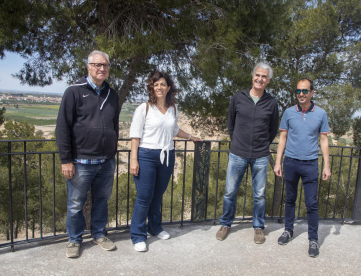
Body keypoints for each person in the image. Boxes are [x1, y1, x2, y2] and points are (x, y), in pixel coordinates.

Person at [56, 50, 120, 258]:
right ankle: (74, 240)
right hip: (81, 161)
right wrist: (66, 159)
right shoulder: (74, 92)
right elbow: (63, 127)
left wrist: (112, 153)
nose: (102, 69)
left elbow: (114, 126)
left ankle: (99, 234)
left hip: (106, 161)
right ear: (88, 67)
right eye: (97, 65)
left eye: (105, 65)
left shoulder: (112, 95)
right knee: (75, 203)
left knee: (102, 200)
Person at [129, 71, 202, 252]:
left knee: (157, 195)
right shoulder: (144, 108)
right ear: (152, 88)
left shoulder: (173, 109)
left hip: (167, 155)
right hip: (146, 155)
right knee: (144, 196)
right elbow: (135, 136)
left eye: (162, 84)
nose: (159, 87)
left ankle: (154, 228)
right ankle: (138, 235)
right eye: (156, 84)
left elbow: (174, 130)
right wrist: (133, 160)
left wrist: (191, 137)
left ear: (168, 87)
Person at [216, 62, 279, 244]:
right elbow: (231, 124)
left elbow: (273, 128)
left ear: (268, 80)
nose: (260, 79)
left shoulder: (271, 103)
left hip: (261, 156)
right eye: (257, 75)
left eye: (264, 77)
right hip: (237, 153)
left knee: (259, 195)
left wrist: (263, 145)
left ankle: (258, 227)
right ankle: (226, 224)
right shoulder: (238, 98)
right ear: (253, 76)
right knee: (229, 192)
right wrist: (237, 142)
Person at [274, 78, 331, 258]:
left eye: (305, 91)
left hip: (310, 164)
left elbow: (323, 140)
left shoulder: (321, 113)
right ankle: (288, 231)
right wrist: (278, 161)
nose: (301, 94)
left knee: (311, 204)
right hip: (290, 162)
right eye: (298, 91)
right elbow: (282, 138)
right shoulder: (288, 112)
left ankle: (313, 239)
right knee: (290, 199)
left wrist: (327, 166)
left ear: (312, 93)